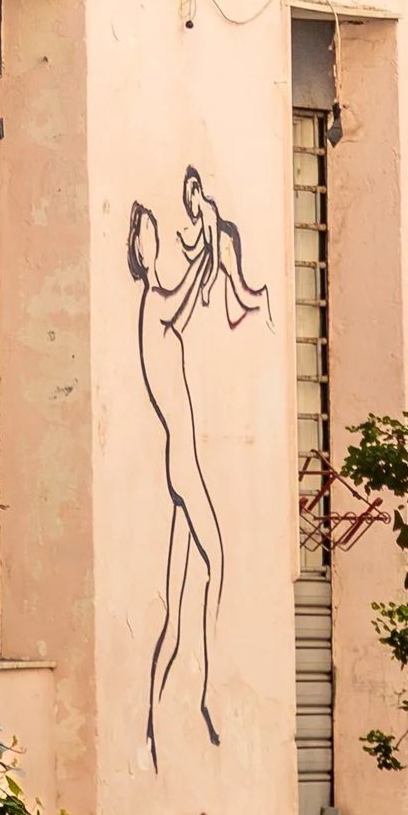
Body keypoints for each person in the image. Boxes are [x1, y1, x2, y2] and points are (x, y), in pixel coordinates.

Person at [129, 168, 269, 765]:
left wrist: (210, 235)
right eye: (148, 231)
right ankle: (208, 696)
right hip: (183, 467)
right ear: (142, 252)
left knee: (175, 606)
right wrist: (209, 232)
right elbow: (188, 289)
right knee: (217, 564)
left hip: (178, 466)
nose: (155, 234)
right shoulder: (153, 304)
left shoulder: (161, 303)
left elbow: (196, 284)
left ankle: (154, 722)